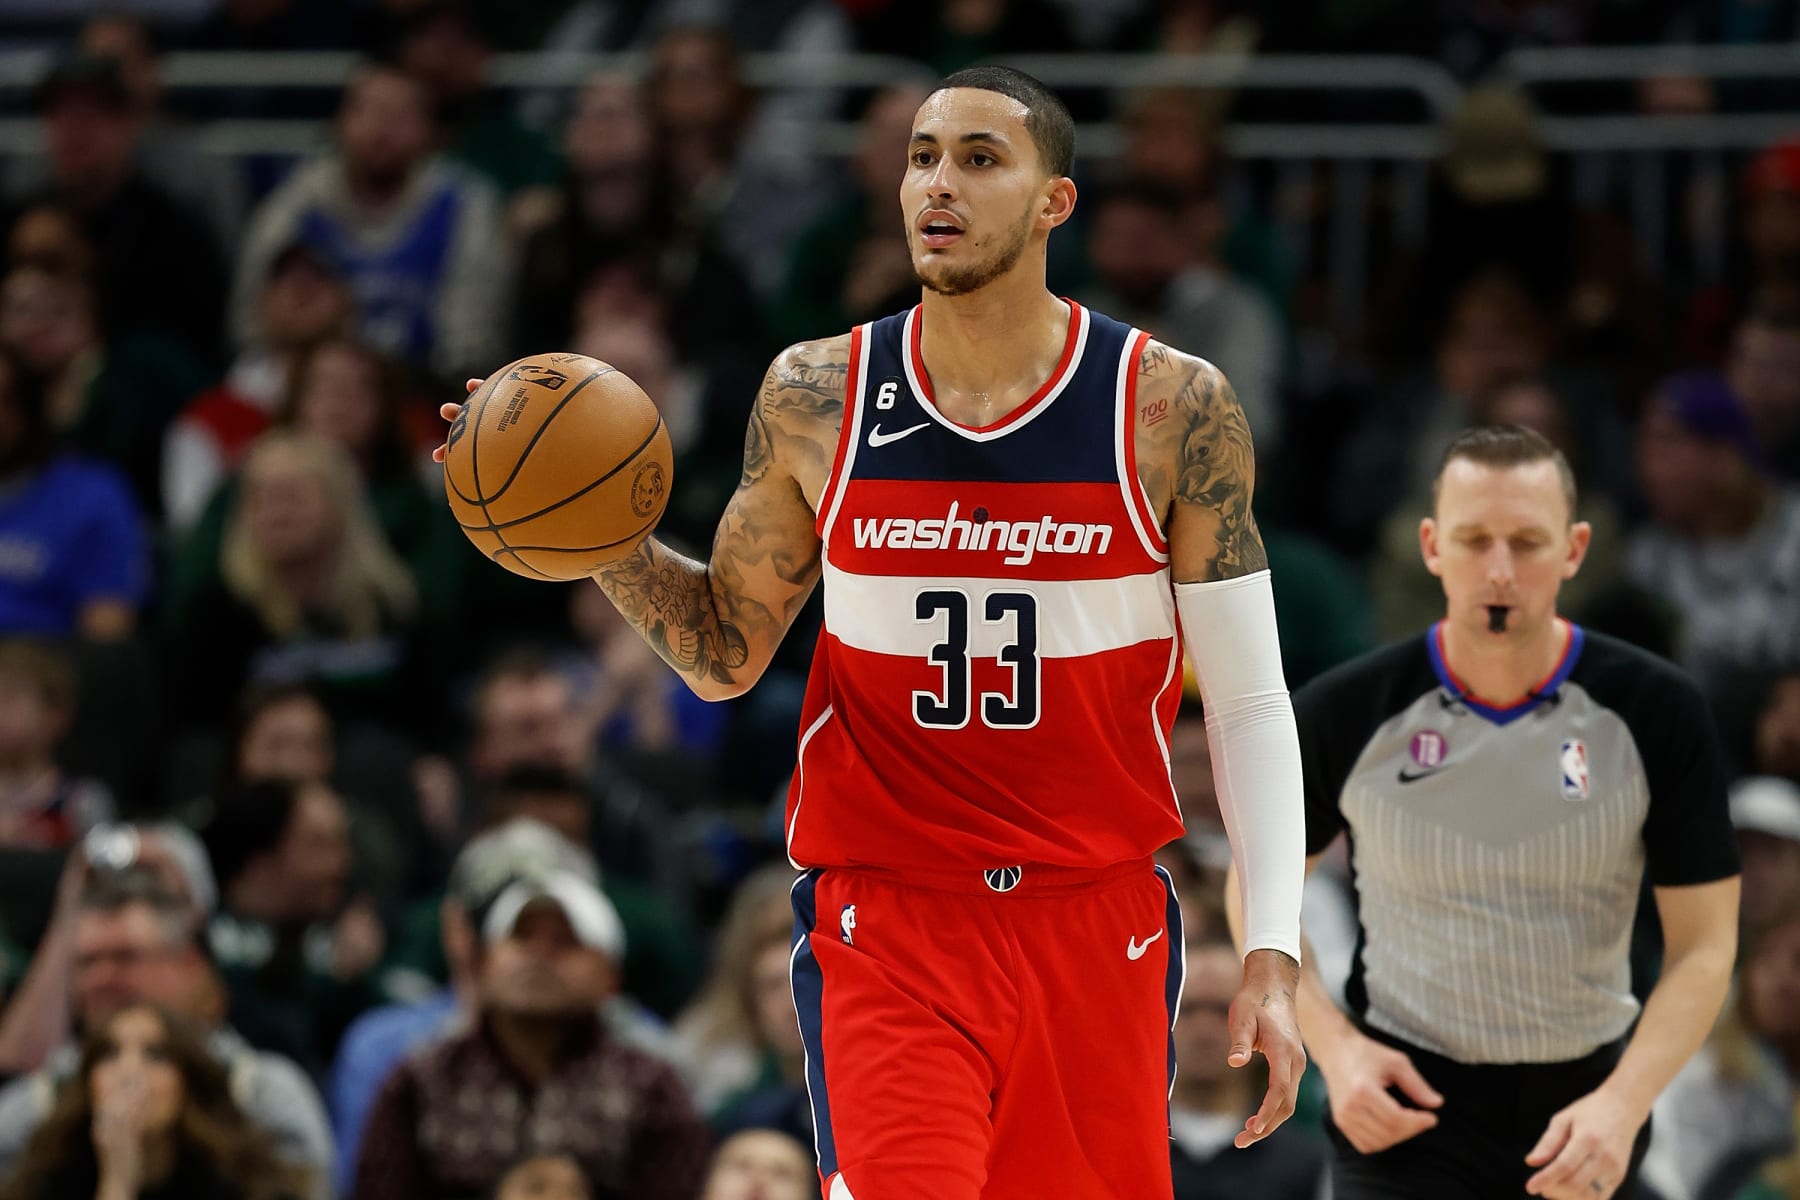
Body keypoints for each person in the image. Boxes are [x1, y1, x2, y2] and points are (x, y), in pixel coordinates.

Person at [438, 65, 1306, 1199]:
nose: (939, 183)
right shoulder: (816, 395)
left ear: (1055, 201)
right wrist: (593, 532)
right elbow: (725, 652)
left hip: (1096, 919)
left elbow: (1249, 700)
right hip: (889, 920)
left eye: (980, 159)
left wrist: (1272, 951)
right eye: (921, 157)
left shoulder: (1171, 407)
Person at [1246, 425, 1742, 1200]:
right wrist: (1338, 1052)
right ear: (1431, 546)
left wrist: (1625, 1101)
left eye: (1528, 542)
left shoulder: (1657, 709)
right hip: (1402, 1099)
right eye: (1475, 540)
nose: (1500, 570)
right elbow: (1256, 891)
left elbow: (1705, 946)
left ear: (1574, 549)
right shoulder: (1347, 709)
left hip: (1588, 1100)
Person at [0, 1003, 314, 1200]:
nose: (129, 1072)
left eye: (155, 1055)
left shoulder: (240, 1182)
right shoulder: (47, 1182)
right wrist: (117, 1181)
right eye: (110, 1054)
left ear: (187, 1082)